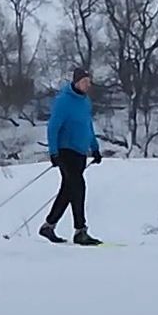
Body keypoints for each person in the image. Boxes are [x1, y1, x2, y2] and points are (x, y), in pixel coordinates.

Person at [40, 68, 103, 245]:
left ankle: (48, 226)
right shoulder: (63, 101)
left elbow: (87, 125)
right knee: (78, 186)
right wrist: (53, 152)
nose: (87, 85)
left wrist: (95, 148)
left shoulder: (85, 101)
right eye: (84, 82)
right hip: (66, 151)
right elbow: (53, 127)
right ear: (76, 82)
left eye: (88, 82)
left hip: (80, 152)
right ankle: (80, 230)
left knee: (68, 190)